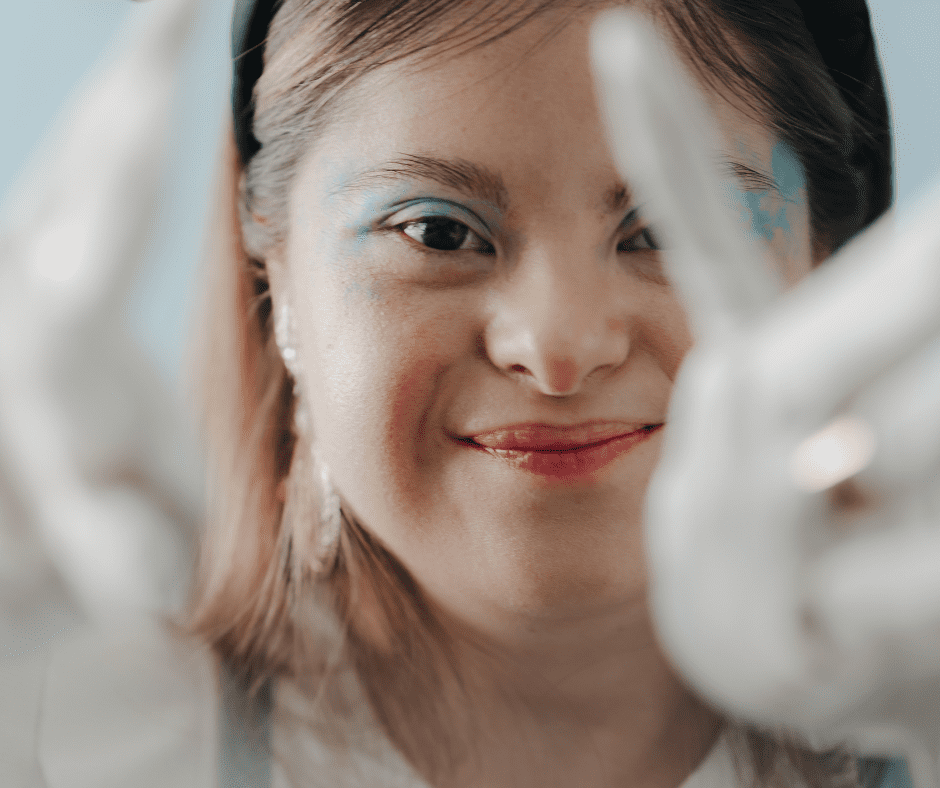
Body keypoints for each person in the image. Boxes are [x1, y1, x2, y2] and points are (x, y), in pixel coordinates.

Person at [3, 0, 934, 787]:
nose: (560, 348)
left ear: (829, 263)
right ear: (275, 268)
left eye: (662, 228)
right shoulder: (66, 736)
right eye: (440, 233)